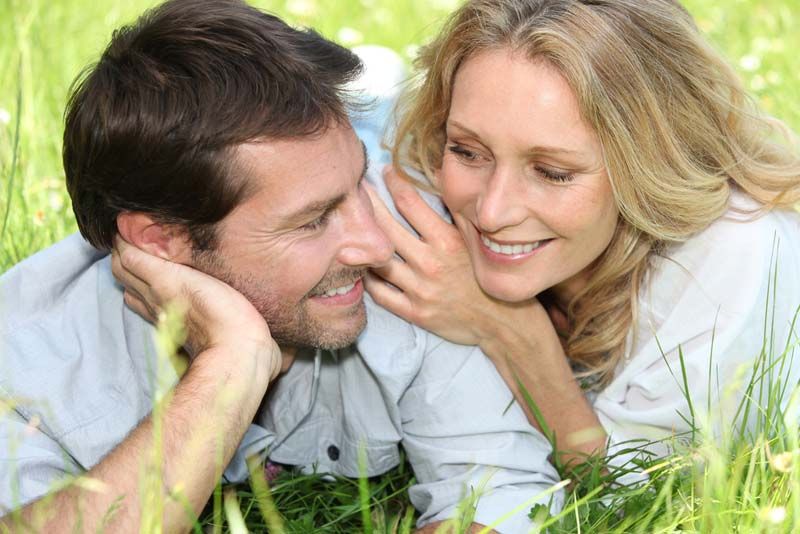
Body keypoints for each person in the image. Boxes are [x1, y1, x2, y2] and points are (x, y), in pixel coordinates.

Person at [0, 1, 561, 532]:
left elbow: (506, 495)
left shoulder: (416, 254)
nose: (372, 244)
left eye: (357, 183)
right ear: (161, 241)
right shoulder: (23, 365)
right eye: (313, 221)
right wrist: (230, 366)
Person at [365, 0, 800, 473]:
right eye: (468, 151)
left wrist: (508, 328)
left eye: (552, 173)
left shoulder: (735, 255)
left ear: (649, 164)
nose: (491, 212)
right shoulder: (427, 179)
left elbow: (632, 492)